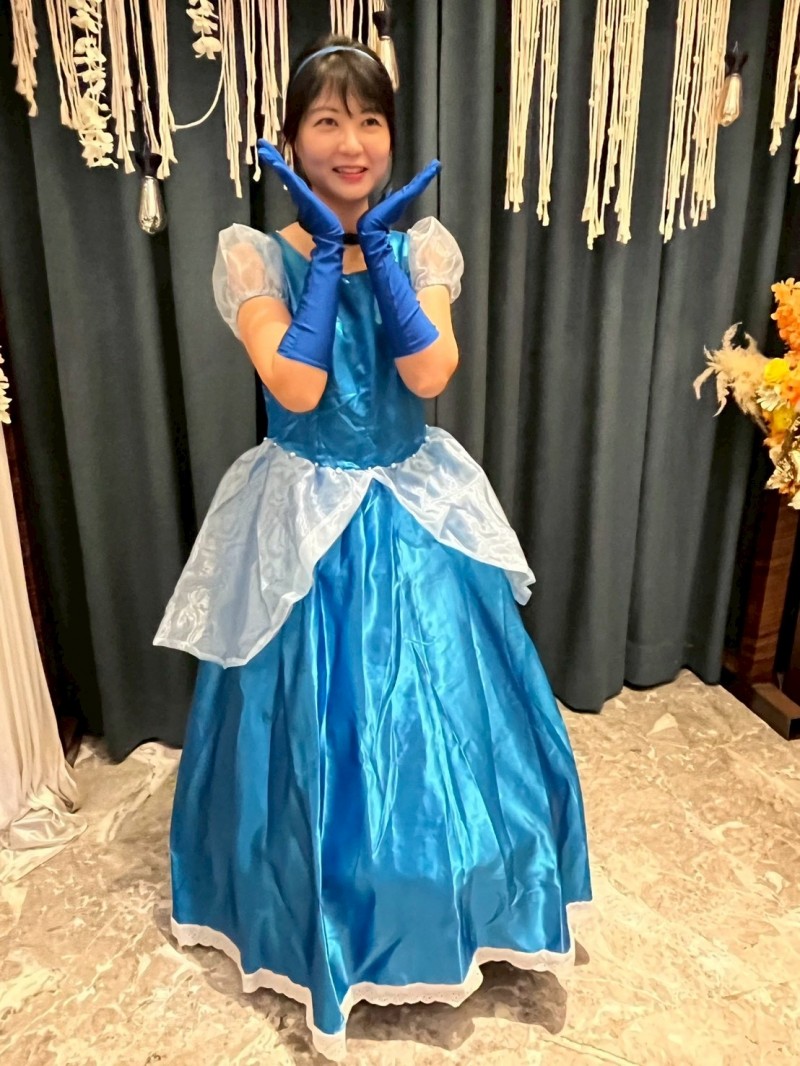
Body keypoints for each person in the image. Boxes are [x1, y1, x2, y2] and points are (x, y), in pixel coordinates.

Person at [155, 33, 592, 1061]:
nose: (350, 143)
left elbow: (430, 375)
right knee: (314, 741)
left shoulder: (425, 243)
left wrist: (380, 257)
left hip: (408, 506)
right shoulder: (251, 253)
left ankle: (448, 905)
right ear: (291, 138)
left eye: (369, 120)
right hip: (302, 517)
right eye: (326, 121)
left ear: (391, 136)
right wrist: (322, 258)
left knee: (438, 733)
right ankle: (318, 913)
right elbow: (297, 386)